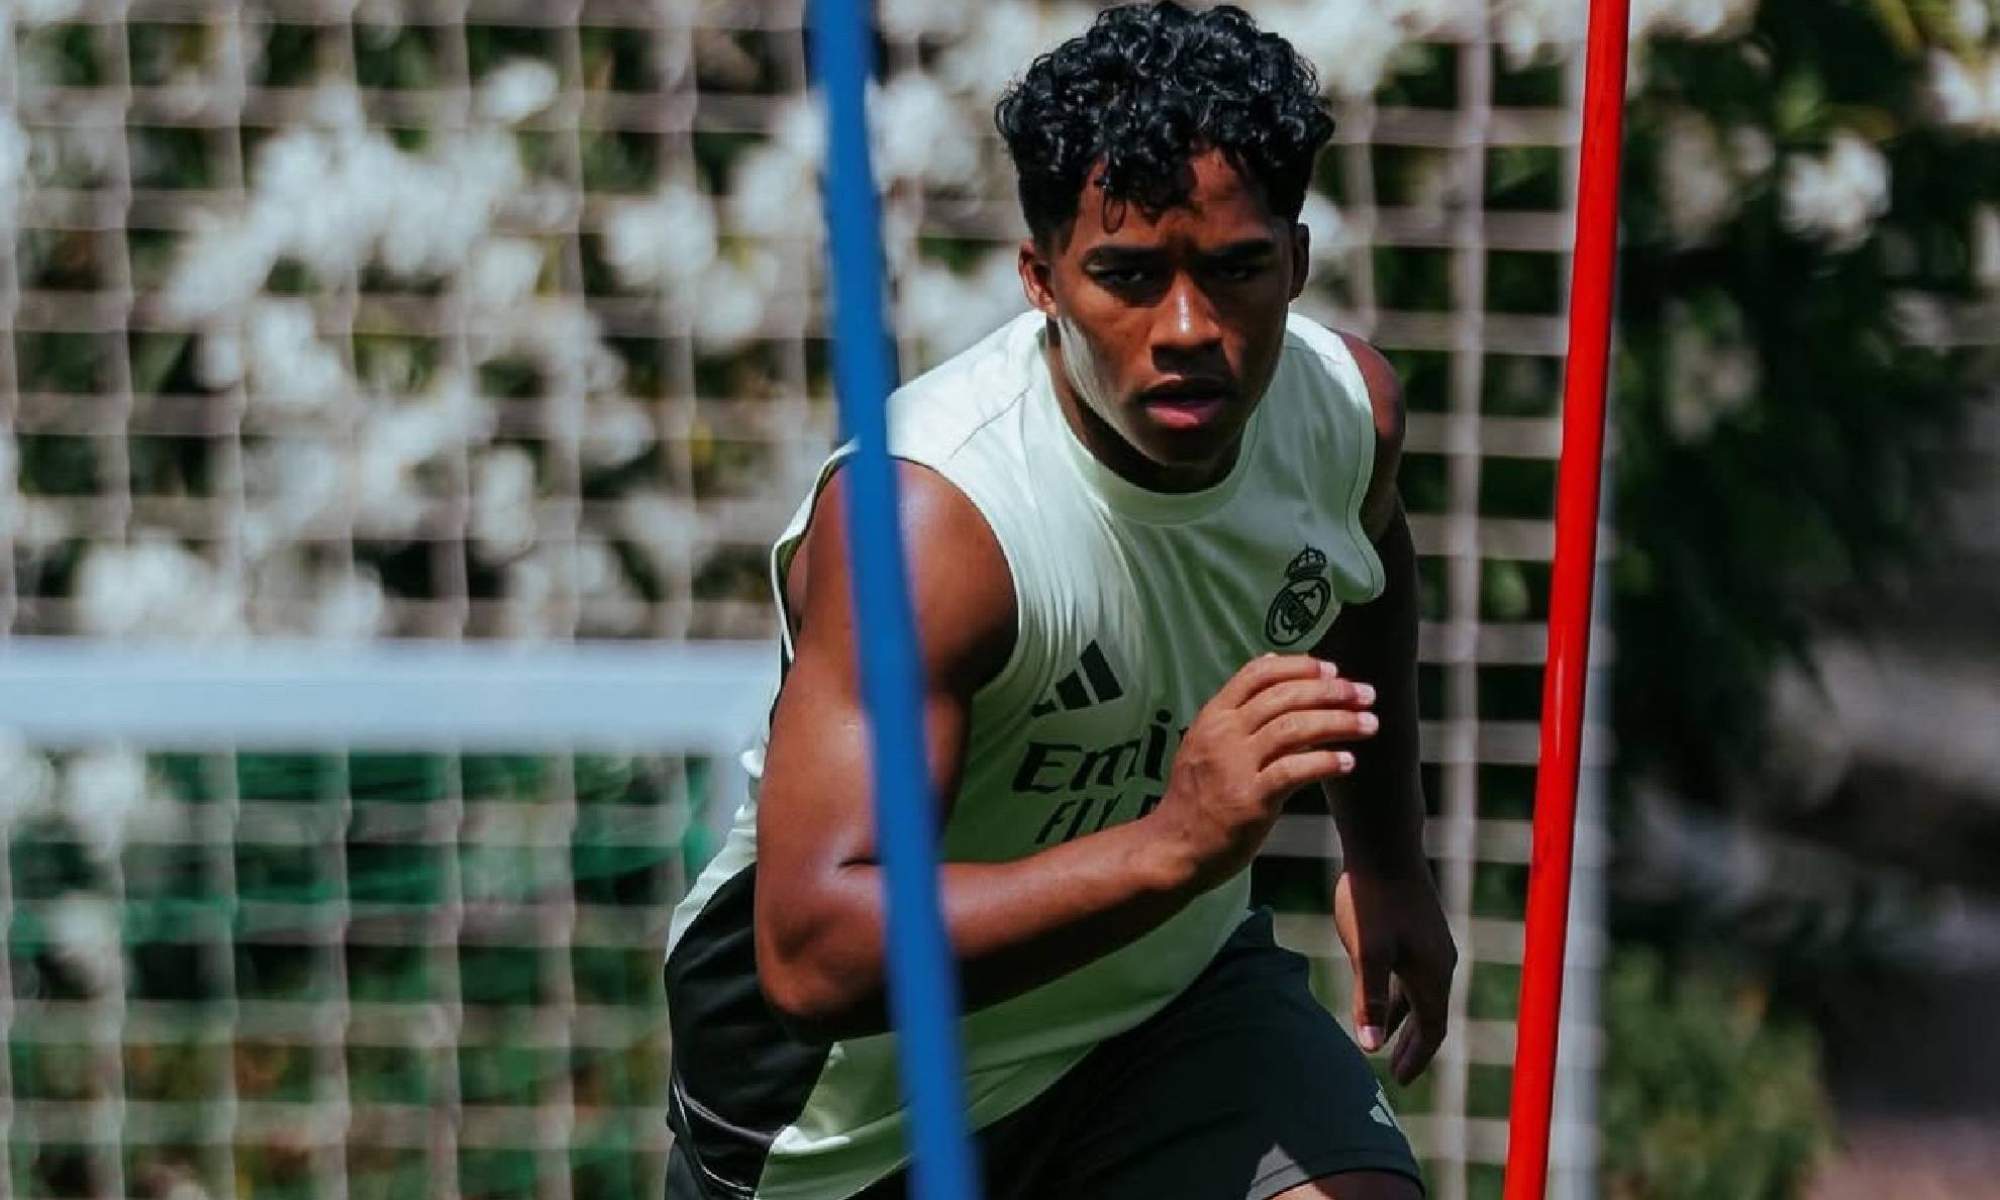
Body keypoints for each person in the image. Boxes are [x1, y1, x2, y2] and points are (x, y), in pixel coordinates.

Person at [664, 4, 1457, 1197]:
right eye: (1127, 277)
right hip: (855, 1116)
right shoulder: (933, 522)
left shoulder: (1345, 417)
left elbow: (1367, 571)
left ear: (1292, 262)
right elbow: (813, 951)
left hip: (1166, 1010)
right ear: (1040, 278)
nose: (1186, 329)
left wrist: (1386, 861)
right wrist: (1170, 845)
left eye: (1235, 270)